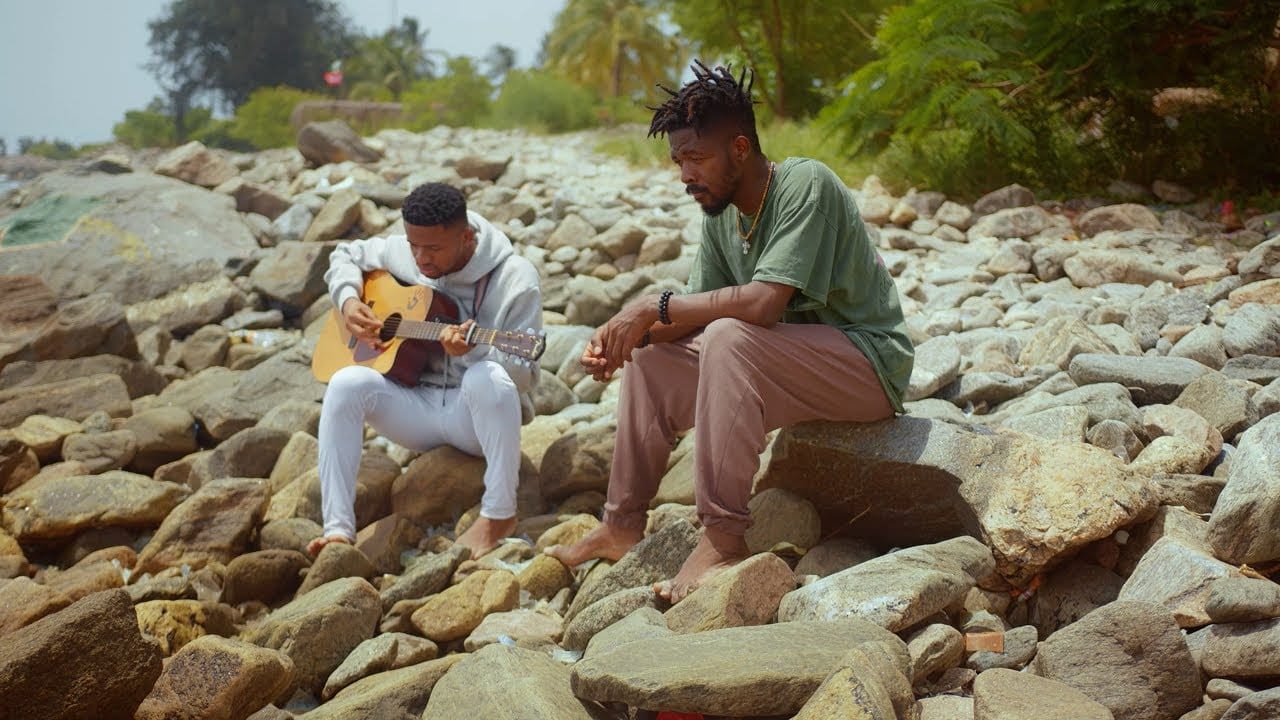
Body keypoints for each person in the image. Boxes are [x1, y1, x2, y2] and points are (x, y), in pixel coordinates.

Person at [546, 62, 914, 602]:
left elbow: (763, 304)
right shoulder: (721, 215)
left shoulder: (804, 183)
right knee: (653, 358)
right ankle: (621, 525)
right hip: (788, 367)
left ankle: (722, 540)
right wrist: (628, 336)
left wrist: (654, 305)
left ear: (740, 149)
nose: (684, 175)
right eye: (678, 161)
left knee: (727, 337)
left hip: (866, 364)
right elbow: (689, 317)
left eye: (696, 158)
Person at [309, 182, 542, 559]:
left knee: (488, 377)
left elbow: (524, 377)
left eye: (433, 248)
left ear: (466, 237)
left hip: (474, 423)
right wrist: (349, 300)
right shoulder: (408, 251)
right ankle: (337, 530)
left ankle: (499, 514)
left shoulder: (516, 278)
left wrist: (472, 353)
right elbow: (346, 254)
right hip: (415, 408)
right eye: (413, 245)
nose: (420, 258)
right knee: (346, 383)